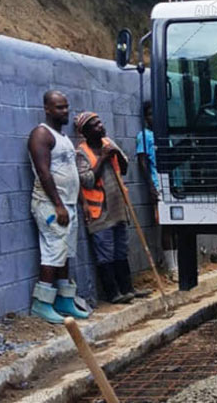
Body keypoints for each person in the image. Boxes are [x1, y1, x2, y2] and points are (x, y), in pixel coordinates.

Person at [27, 90, 90, 322]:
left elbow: (72, 174)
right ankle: (42, 303)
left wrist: (80, 203)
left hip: (69, 204)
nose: (65, 111)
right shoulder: (41, 134)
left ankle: (64, 299)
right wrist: (59, 205)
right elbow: (44, 173)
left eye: (66, 107)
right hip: (51, 205)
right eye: (59, 107)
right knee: (53, 251)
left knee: (65, 253)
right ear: (47, 109)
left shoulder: (63, 138)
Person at [75, 112, 150, 303]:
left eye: (100, 123)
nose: (100, 127)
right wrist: (102, 158)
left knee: (121, 250)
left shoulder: (108, 143)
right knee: (105, 253)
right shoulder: (81, 153)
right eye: (95, 125)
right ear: (85, 132)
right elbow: (87, 181)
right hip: (99, 210)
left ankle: (128, 289)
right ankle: (113, 293)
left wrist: (115, 153)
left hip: (118, 206)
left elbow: (124, 169)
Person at [136, 101, 178, 281]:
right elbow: (142, 162)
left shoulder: (164, 135)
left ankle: (177, 263)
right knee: (167, 226)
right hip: (158, 184)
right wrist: (151, 187)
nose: (155, 117)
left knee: (178, 226)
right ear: (146, 118)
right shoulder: (144, 136)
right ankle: (171, 268)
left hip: (173, 184)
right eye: (151, 114)